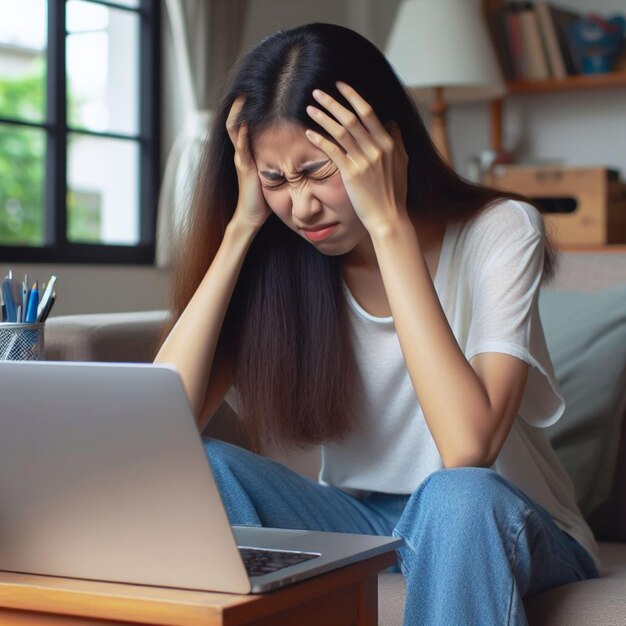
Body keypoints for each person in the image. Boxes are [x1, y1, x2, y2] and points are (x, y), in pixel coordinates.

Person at [155, 22, 599, 625]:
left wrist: (389, 224)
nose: (302, 206)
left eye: (317, 171)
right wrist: (240, 231)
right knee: (200, 464)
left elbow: (468, 448)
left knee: (456, 497)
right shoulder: (281, 260)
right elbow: (159, 436)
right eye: (277, 179)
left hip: (498, 516)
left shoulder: (501, 229)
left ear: (383, 147)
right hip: (360, 523)